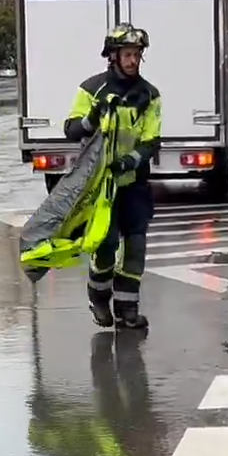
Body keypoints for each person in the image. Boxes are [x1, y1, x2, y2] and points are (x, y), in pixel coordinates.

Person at [63, 24, 161, 330]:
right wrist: (91, 119)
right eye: (128, 55)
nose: (133, 61)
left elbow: (151, 140)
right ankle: (99, 296)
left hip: (133, 184)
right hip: (100, 187)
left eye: (137, 55)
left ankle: (128, 309)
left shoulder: (149, 95)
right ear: (114, 57)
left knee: (136, 247)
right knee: (105, 247)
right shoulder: (91, 90)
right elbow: (71, 130)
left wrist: (130, 161)